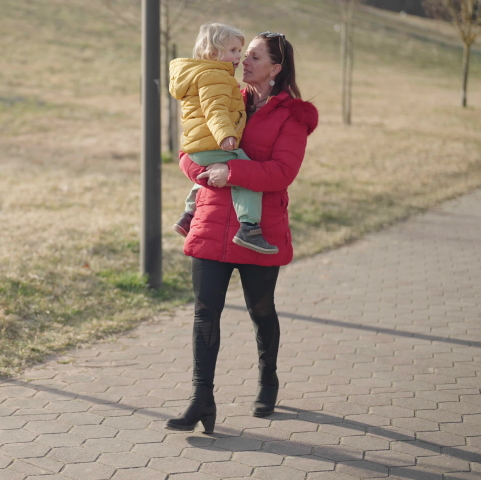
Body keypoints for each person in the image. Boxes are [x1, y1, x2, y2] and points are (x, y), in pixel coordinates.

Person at [165, 31, 319, 433]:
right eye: (244, 54)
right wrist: (200, 171)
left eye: (253, 56)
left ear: (275, 68)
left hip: (259, 229)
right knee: (204, 313)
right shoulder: (224, 92)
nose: (244, 62)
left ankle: (268, 378)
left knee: (260, 309)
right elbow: (189, 147)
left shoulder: (292, 115)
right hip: (213, 220)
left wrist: (231, 171)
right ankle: (202, 400)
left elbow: (283, 173)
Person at [170, 23, 277, 255]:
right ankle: (249, 227)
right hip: (212, 141)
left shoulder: (203, 74)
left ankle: (188, 215)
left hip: (199, 145)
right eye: (233, 51)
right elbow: (215, 109)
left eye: (240, 51)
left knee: (211, 170)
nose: (239, 57)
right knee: (246, 173)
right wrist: (225, 134)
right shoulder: (215, 76)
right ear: (212, 52)